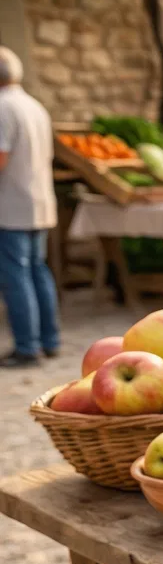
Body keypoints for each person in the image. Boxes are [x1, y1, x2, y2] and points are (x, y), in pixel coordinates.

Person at [0, 47, 59, 367]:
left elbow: (1, 157)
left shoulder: (2, 107)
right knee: (37, 270)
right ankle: (49, 339)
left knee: (16, 276)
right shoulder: (35, 106)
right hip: (38, 201)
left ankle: (27, 346)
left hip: (11, 205)